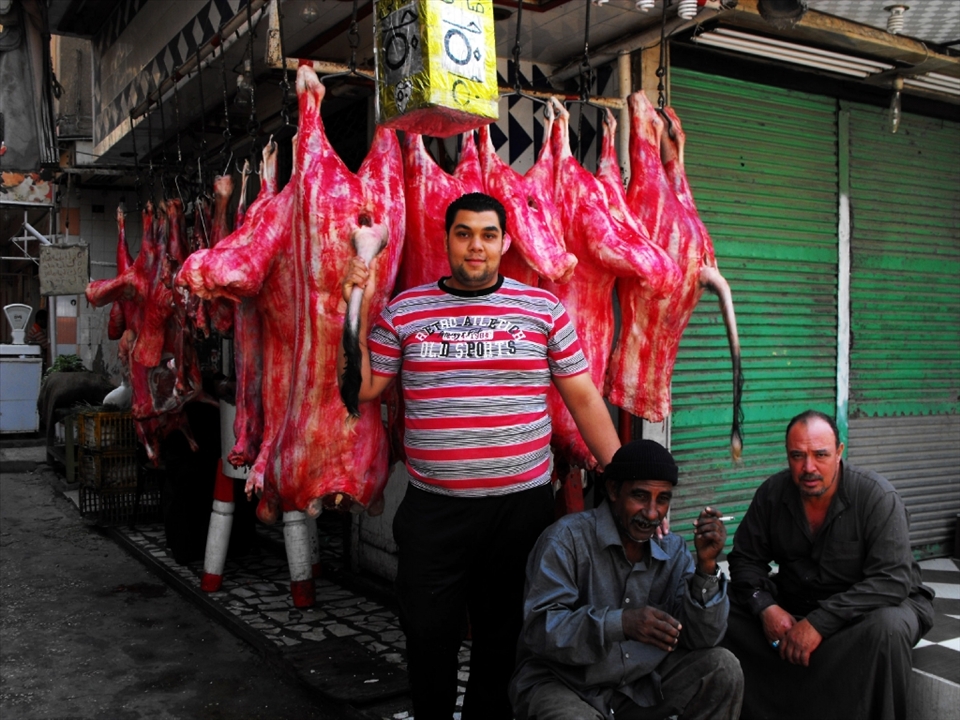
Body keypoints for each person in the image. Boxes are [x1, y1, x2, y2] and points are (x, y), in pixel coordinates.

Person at [337, 192, 621, 720]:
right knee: (427, 638)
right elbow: (362, 389)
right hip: (434, 513)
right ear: (446, 240)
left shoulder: (542, 310)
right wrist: (353, 302)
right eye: (464, 233)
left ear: (504, 243)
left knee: (504, 642)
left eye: (488, 235)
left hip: (521, 512)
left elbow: (583, 397)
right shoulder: (406, 311)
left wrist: (623, 476)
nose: (476, 246)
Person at [722, 410, 935, 720]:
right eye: (798, 456)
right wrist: (765, 606)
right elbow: (744, 559)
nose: (809, 468)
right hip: (798, 602)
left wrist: (819, 623)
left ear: (839, 453)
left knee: (888, 629)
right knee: (719, 606)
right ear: (787, 455)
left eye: (820, 454)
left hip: (868, 611)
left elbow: (891, 580)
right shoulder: (773, 493)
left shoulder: (876, 496)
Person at [510, 439, 744, 720]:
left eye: (663, 499)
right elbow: (540, 631)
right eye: (640, 496)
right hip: (567, 685)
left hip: (638, 688)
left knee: (721, 667)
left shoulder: (674, 551)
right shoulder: (566, 541)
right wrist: (620, 623)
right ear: (613, 490)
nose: (652, 512)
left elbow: (703, 638)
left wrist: (706, 568)